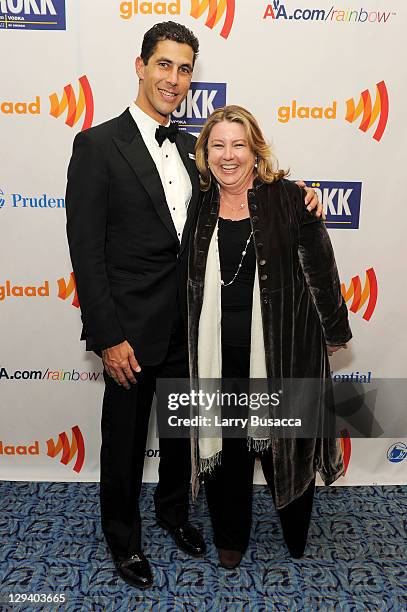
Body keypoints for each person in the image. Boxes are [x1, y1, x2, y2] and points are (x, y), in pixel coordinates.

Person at [65, 22, 322, 588]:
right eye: (163, 65)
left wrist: (297, 193)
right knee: (126, 443)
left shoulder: (193, 149)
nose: (173, 79)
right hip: (130, 332)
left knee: (182, 438)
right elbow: (85, 252)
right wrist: (107, 335)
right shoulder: (98, 145)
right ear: (140, 65)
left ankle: (176, 515)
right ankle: (123, 541)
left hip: (193, 327)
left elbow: (243, 188)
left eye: (184, 69)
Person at [188, 105, 352, 569]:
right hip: (218, 353)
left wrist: (333, 331)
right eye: (217, 145)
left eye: (238, 144)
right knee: (229, 447)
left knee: (288, 446)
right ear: (204, 153)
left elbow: (321, 268)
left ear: (255, 149)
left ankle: (295, 530)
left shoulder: (289, 199)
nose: (228, 155)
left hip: (284, 351)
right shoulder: (198, 205)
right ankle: (230, 535)